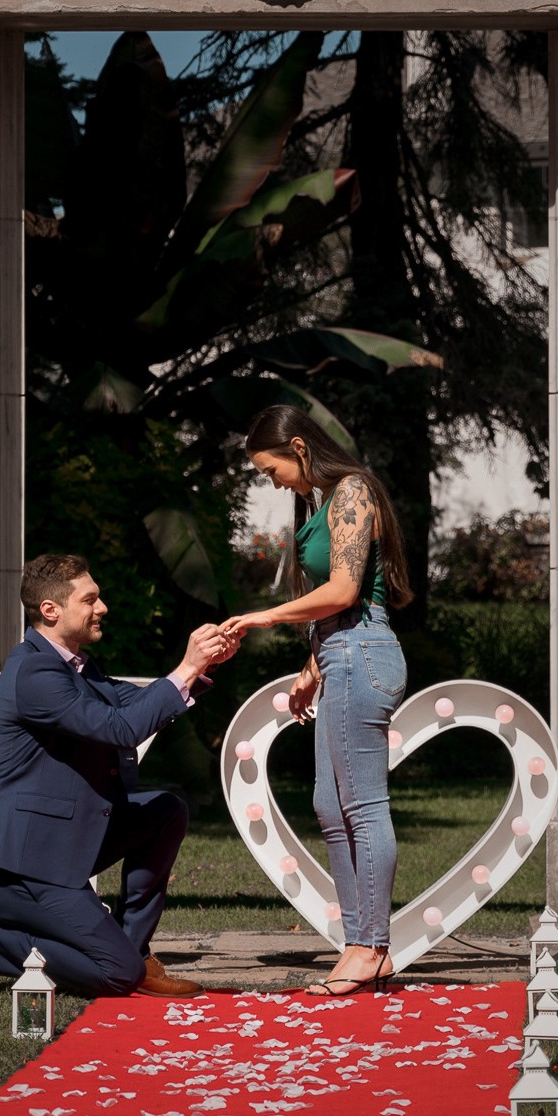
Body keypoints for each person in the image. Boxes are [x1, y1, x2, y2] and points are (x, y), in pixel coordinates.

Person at [0, 553, 235, 998]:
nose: (103, 607)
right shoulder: (34, 670)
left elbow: (128, 705)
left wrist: (199, 668)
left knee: (166, 811)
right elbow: (120, 729)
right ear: (51, 610)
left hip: (61, 848)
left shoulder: (75, 666)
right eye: (90, 599)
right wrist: (185, 668)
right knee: (113, 976)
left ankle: (134, 952)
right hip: (16, 867)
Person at [222, 405, 413, 996]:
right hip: (339, 655)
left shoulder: (353, 490)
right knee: (331, 809)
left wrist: (267, 615)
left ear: (299, 448)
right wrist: (311, 665)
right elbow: (339, 608)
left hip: (361, 653)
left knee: (361, 805)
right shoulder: (322, 504)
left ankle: (372, 946)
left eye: (269, 468)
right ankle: (359, 943)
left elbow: (347, 590)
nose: (270, 480)